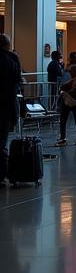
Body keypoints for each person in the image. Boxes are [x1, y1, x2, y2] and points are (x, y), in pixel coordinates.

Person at [0, 35, 22, 178]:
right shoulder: (12, 60)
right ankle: (2, 174)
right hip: (6, 106)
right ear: (8, 45)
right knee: (2, 142)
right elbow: (17, 80)